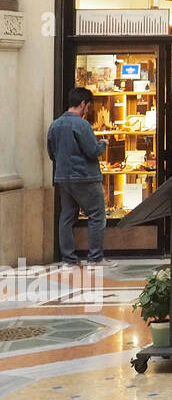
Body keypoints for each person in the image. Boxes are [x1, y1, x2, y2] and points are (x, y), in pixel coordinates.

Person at [47, 87, 109, 269]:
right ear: (83, 104)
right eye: (88, 106)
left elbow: (51, 153)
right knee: (97, 215)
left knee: (66, 216)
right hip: (85, 177)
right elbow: (92, 151)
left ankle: (68, 259)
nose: (88, 110)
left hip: (63, 177)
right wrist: (103, 144)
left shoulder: (55, 125)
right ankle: (95, 258)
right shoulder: (81, 125)